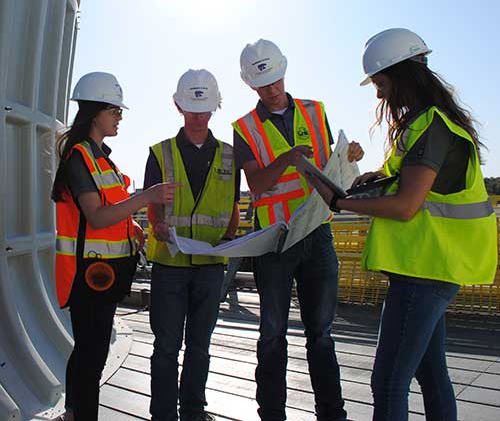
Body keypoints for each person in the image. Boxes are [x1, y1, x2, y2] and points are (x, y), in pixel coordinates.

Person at [305, 28, 498, 421]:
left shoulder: (430, 127)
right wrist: (376, 176)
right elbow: (418, 186)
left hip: (425, 271)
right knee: (431, 373)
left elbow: (408, 206)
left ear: (402, 75)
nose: (378, 94)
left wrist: (340, 201)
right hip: (433, 267)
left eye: (380, 82)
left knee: (389, 382)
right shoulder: (429, 124)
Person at [232, 39, 363, 421]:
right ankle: (271, 414)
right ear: (250, 85)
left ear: (284, 72)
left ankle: (332, 414)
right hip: (275, 241)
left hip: (317, 233)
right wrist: (287, 159)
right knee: (272, 334)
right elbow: (256, 185)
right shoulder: (245, 128)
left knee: (321, 334)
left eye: (276, 79)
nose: (272, 89)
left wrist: (350, 157)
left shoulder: (315, 110)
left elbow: (330, 166)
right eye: (263, 83)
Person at [52, 72, 179, 421]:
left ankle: (74, 413)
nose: (120, 117)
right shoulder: (80, 158)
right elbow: (95, 216)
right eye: (115, 111)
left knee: (88, 353)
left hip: (101, 276)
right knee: (92, 357)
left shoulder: (100, 157)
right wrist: (146, 197)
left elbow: (108, 211)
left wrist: (131, 227)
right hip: (88, 277)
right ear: (96, 112)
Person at [144, 69, 240, 421]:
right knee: (166, 347)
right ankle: (163, 414)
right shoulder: (160, 153)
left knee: (200, 348)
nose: (199, 116)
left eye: (205, 108)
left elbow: (231, 206)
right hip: (170, 264)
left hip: (211, 267)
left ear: (216, 106)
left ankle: (194, 412)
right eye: (191, 108)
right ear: (178, 106)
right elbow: (152, 205)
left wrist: (229, 239)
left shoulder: (231, 156)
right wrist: (156, 226)